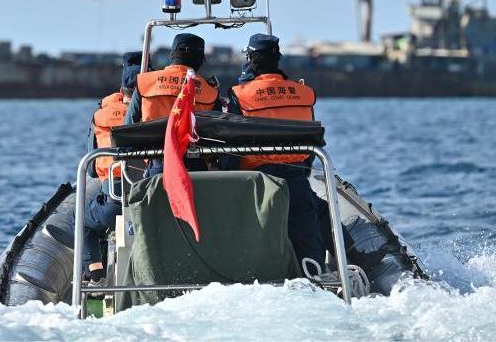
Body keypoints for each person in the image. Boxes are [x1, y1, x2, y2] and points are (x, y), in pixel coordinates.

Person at [227, 33, 325, 267]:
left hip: (257, 183)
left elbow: (230, 147)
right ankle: (316, 275)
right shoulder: (304, 93)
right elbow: (310, 140)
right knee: (309, 236)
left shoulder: (240, 95)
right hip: (296, 180)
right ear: (278, 58)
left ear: (250, 60)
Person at [82, 51, 141, 284]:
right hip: (152, 197)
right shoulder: (156, 115)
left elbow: (91, 169)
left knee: (82, 218)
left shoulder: (101, 115)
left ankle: (95, 275)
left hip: (115, 199)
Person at [125, 33, 221, 176]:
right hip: (196, 170)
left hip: (157, 166)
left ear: (172, 55)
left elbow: (128, 128)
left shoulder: (145, 82)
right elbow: (218, 136)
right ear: (200, 59)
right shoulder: (210, 92)